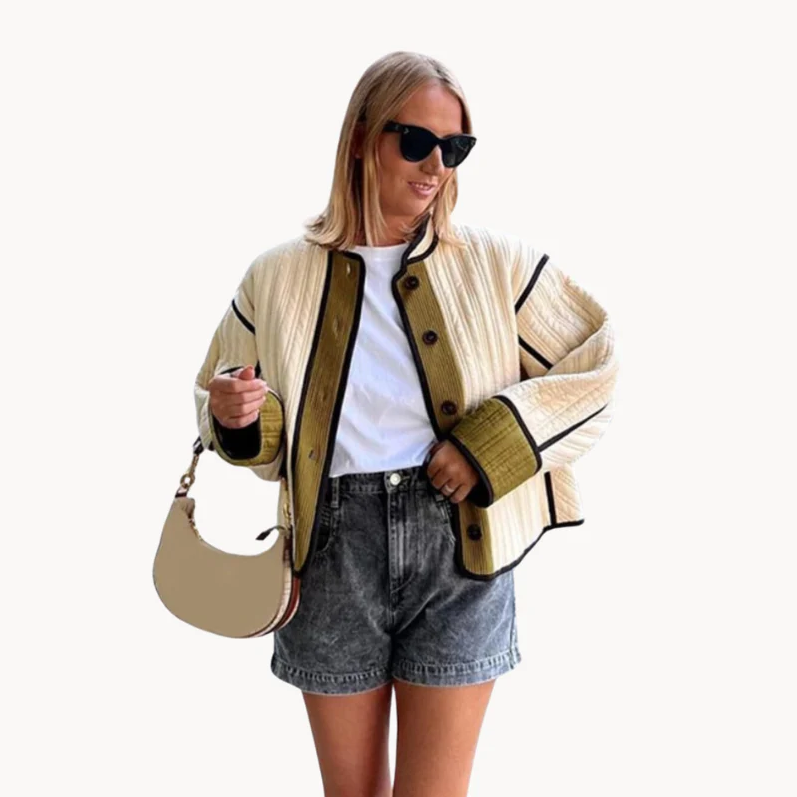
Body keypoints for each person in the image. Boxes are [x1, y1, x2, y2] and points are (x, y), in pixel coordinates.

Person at [196, 50, 618, 797]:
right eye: (418, 141)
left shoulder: (495, 264)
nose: (436, 167)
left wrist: (488, 447)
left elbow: (597, 362)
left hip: (461, 547)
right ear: (363, 137)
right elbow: (228, 402)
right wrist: (235, 415)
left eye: (455, 148)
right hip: (330, 553)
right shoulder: (277, 275)